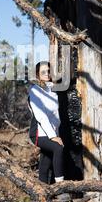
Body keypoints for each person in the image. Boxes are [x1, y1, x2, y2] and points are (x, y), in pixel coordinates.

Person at [28, 60, 68, 189]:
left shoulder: (52, 88)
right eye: (43, 72)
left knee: (45, 163)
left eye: (49, 71)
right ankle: (60, 188)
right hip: (39, 133)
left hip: (52, 132)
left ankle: (42, 193)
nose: (46, 74)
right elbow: (41, 116)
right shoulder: (35, 90)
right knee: (58, 148)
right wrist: (52, 136)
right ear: (38, 74)